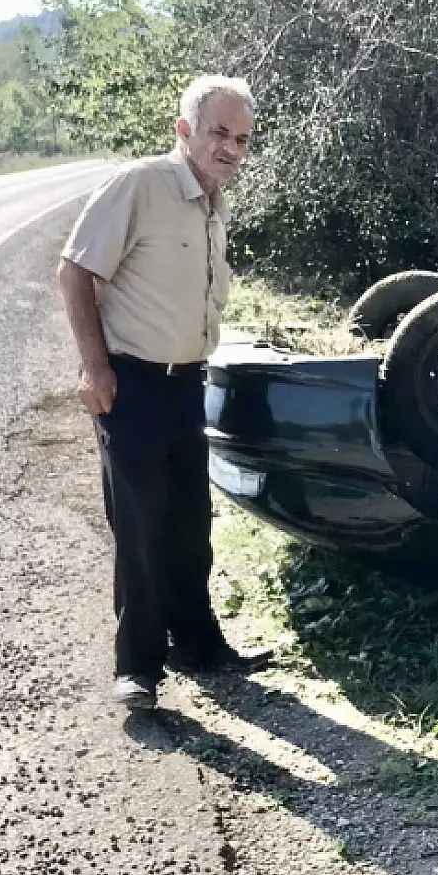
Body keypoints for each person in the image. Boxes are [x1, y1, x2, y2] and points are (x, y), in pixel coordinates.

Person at [57, 75, 265, 709]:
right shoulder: (141, 185)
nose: (230, 148)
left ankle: (198, 645)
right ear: (184, 131)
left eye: (241, 138)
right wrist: (95, 369)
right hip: (135, 384)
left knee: (189, 525)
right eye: (218, 133)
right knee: (142, 526)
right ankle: (138, 668)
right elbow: (74, 271)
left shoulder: (212, 205)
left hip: (186, 384)